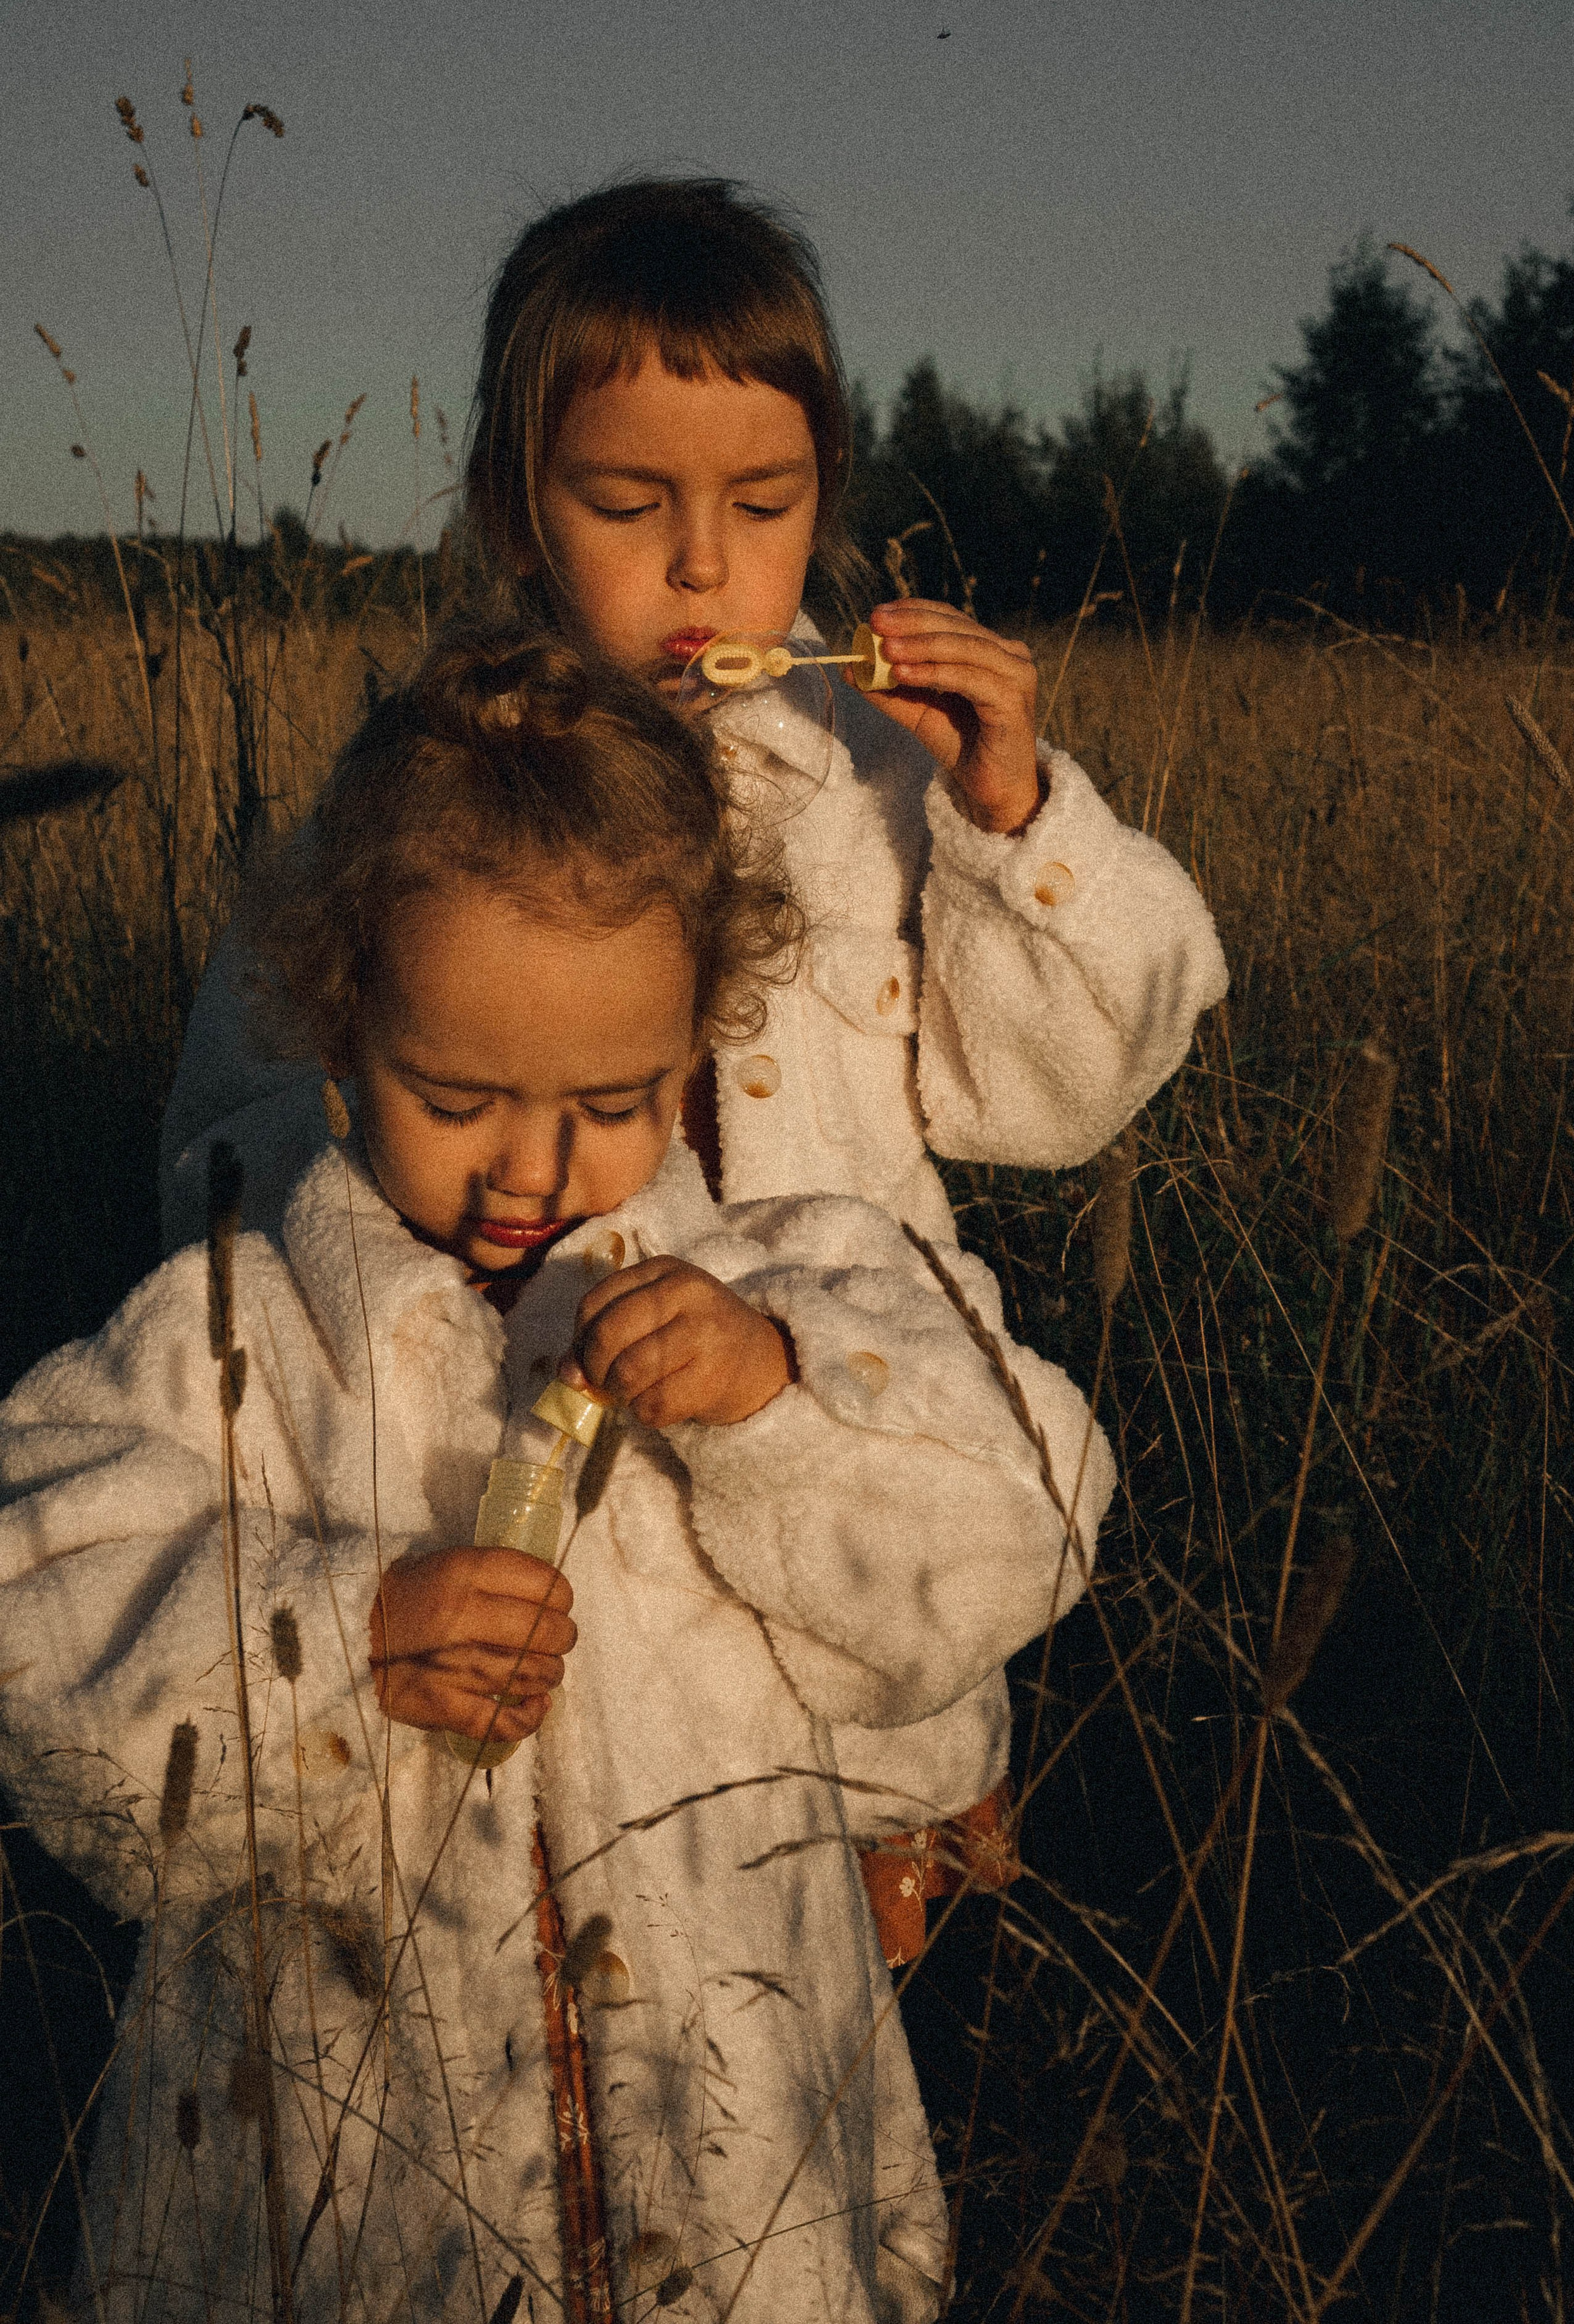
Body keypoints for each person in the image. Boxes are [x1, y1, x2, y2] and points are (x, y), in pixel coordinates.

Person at [157, 176, 1227, 1960]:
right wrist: (426, 1241)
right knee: (595, 1951)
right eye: (628, 502)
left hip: (839, 1500)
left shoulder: (882, 790)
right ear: (515, 504)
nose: (705, 564)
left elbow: (1065, 1091)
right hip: (547, 1530)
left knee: (827, 2043)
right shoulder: (417, 804)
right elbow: (236, 1137)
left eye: (764, 504)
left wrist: (1014, 815)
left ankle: (885, 1913)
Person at [0, 631, 1114, 2324]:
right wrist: (337, 1639)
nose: (534, 1168)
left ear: (696, 1040)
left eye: (613, 1100)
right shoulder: (236, 1339)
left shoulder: (803, 1284)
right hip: (355, 2206)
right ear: (337, 1024)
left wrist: (786, 1404)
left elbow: (1012, 1540)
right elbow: (39, 1607)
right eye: (455, 1098)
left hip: (743, 2182)